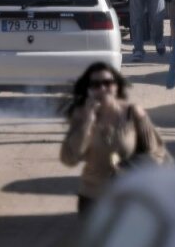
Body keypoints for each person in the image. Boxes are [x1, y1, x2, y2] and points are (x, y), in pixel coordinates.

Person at [60, 63, 168, 214]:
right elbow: (70, 158)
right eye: (96, 85)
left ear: (116, 86)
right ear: (89, 89)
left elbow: (157, 153)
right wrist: (88, 121)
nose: (102, 89)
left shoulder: (132, 113)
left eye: (107, 83)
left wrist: (130, 169)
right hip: (92, 199)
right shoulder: (81, 115)